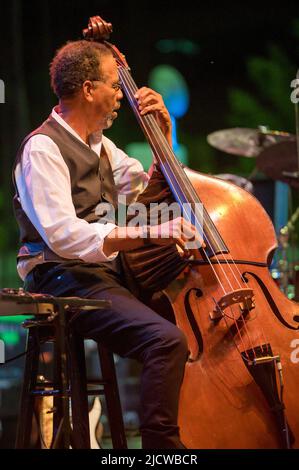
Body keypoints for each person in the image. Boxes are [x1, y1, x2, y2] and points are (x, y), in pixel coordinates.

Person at [13, 40, 202, 449]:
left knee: (193, 325)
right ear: (87, 89)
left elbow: (152, 188)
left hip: (103, 275)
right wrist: (150, 232)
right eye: (115, 86)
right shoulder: (42, 148)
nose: (122, 95)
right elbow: (62, 234)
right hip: (63, 277)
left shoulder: (104, 147)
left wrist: (163, 137)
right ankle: (161, 451)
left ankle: (200, 428)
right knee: (165, 340)